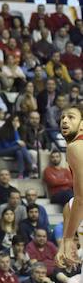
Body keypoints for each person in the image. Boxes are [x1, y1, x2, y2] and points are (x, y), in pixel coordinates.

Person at [58, 106, 83, 269]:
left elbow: (81, 198)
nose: (65, 120)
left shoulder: (76, 147)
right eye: (62, 117)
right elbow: (73, 204)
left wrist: (67, 239)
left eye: (71, 117)